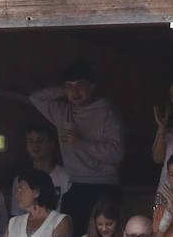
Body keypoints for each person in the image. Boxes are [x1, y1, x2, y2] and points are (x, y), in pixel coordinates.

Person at [30, 63, 124, 230]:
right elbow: (36, 98)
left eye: (80, 86)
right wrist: (65, 89)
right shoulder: (63, 111)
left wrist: (80, 143)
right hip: (75, 185)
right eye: (70, 87)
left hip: (104, 185)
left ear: (92, 87)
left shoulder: (108, 112)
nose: (75, 92)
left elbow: (117, 153)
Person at [12, 125, 71, 217]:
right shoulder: (20, 179)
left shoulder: (66, 177)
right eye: (30, 141)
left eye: (40, 141)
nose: (35, 145)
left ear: (51, 144)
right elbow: (16, 214)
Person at [9, 168, 71, 237]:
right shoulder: (13, 222)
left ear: (36, 192)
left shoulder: (59, 221)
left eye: (21, 189)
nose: (17, 195)